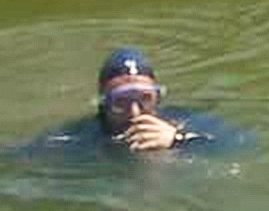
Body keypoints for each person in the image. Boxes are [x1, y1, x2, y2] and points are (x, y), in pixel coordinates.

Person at [30, 47, 250, 156]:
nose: (135, 113)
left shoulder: (182, 122)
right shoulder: (81, 137)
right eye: (120, 102)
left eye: (145, 99)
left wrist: (179, 140)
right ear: (103, 106)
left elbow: (244, 142)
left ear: (158, 98)